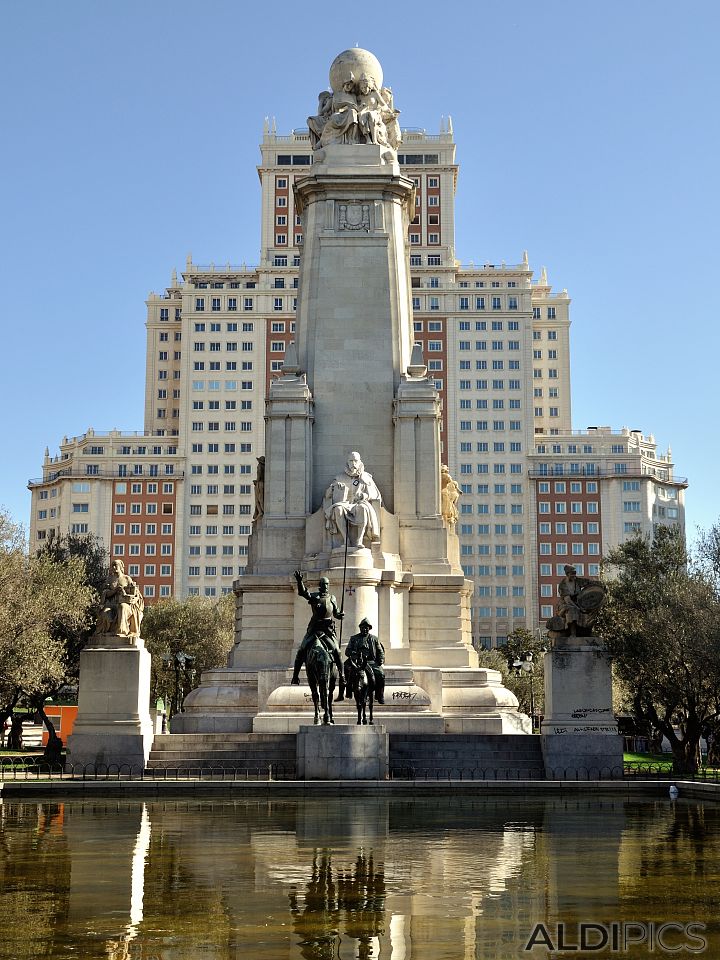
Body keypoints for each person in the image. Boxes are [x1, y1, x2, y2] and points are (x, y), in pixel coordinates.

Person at [291, 571, 346, 700]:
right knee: (302, 649)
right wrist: (300, 581)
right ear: (319, 586)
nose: (325, 586)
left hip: (327, 630)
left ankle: (342, 676)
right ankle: (295, 676)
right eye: (323, 584)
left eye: (327, 584)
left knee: (337, 651)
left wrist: (340, 615)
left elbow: (336, 613)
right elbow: (303, 593)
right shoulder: (315, 596)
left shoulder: (332, 598)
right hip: (314, 629)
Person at [323, 452, 382, 549]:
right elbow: (327, 495)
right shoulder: (339, 478)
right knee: (338, 509)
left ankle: (359, 540)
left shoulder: (366, 477)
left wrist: (364, 495)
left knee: (363, 508)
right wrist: (334, 487)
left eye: (355, 461)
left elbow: (376, 494)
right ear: (347, 462)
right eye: (351, 461)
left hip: (359, 503)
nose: (353, 463)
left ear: (360, 462)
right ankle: (346, 540)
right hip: (345, 504)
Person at [95, 559, 144, 639]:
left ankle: (122, 632)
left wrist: (126, 593)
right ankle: (105, 634)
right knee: (105, 613)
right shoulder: (109, 579)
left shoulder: (127, 579)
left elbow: (134, 592)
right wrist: (114, 591)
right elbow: (105, 593)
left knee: (122, 607)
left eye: (116, 565)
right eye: (112, 565)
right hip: (112, 604)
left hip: (125, 603)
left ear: (121, 567)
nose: (114, 567)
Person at [345, 618, 385, 704]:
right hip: (357, 661)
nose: (365, 629)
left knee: (381, 674)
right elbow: (347, 652)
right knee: (347, 669)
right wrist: (353, 653)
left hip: (370, 662)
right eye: (363, 627)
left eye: (367, 627)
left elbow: (380, 651)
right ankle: (348, 691)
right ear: (360, 628)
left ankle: (380, 695)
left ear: (369, 628)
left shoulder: (374, 639)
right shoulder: (354, 638)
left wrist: (381, 659)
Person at [556, 564, 592, 636]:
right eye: (572, 574)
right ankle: (573, 633)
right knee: (572, 610)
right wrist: (578, 608)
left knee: (589, 610)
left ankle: (587, 632)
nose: (574, 576)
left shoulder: (578, 581)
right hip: (565, 604)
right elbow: (567, 600)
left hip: (577, 602)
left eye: (575, 573)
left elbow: (589, 582)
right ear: (567, 574)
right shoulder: (563, 585)